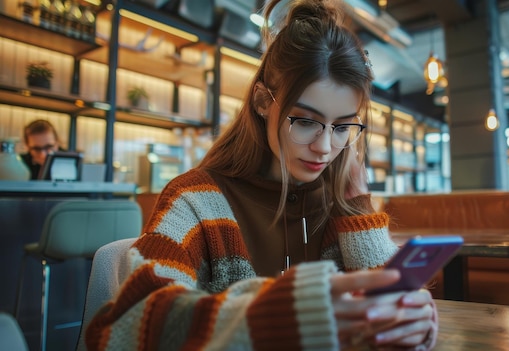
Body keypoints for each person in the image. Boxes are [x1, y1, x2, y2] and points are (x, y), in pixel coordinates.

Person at [86, 0, 438, 349]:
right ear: (262, 102)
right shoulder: (195, 200)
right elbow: (126, 327)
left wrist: (360, 215)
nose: (325, 147)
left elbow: (389, 314)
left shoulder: (340, 204)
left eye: (343, 127)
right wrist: (269, 317)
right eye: (305, 121)